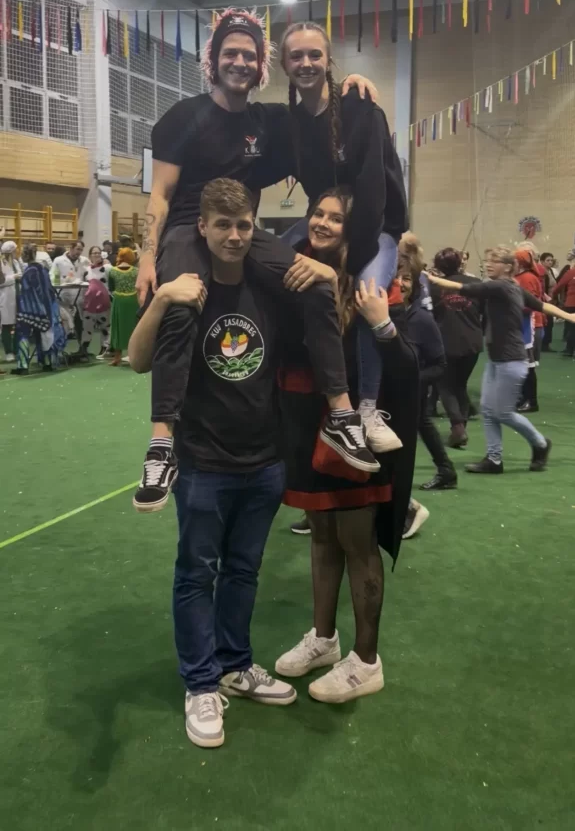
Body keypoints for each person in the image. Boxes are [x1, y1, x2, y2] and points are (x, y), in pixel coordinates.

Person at [133, 8, 380, 508]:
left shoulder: (269, 122)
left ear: (262, 64)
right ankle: (161, 444)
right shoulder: (183, 117)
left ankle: (340, 414)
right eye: (231, 53)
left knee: (316, 282)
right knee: (180, 302)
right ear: (214, 59)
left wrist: (351, 85)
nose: (240, 62)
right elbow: (160, 194)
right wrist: (146, 257)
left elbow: (318, 106)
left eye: (249, 55)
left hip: (244, 231)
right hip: (188, 228)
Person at [128, 179, 297, 748]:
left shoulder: (266, 289)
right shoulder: (187, 288)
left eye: (244, 225)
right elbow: (138, 360)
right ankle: (200, 683)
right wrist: (163, 298)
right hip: (202, 464)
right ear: (202, 227)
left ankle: (235, 664)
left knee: (244, 571)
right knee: (197, 573)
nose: (234, 235)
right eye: (223, 225)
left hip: (264, 461)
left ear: (255, 227)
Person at [275, 190, 420, 701]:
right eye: (318, 213)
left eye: (336, 218)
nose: (323, 223)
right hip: (305, 421)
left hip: (356, 427)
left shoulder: (374, 282)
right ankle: (323, 639)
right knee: (320, 534)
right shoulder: (294, 265)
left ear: (353, 230)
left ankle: (366, 660)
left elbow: (409, 365)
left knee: (357, 540)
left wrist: (380, 321)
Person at [254, 20, 408, 453]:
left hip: (377, 227)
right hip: (322, 217)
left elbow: (375, 192)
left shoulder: (361, 110)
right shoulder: (292, 123)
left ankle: (367, 409)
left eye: (314, 55)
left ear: (329, 61)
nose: (306, 63)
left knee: (367, 292)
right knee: (264, 261)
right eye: (296, 56)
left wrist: (351, 261)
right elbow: (260, 169)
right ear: (284, 65)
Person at [428, 247, 575, 473]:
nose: (488, 264)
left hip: (511, 361)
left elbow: (463, 288)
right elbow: (541, 305)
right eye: (488, 260)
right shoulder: (513, 287)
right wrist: (569, 316)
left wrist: (428, 277)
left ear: (508, 267)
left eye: (494, 261)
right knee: (489, 410)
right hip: (497, 360)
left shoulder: (500, 286)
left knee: (503, 412)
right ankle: (494, 459)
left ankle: (540, 443)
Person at [396, 236, 457, 492]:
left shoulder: (421, 319)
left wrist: (412, 379)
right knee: (421, 423)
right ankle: (446, 470)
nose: (400, 283)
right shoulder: (380, 313)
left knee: (416, 426)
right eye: (395, 278)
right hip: (390, 392)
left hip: (411, 389)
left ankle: (444, 470)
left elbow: (440, 364)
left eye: (406, 279)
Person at [430, 247, 483, 448]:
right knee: (460, 385)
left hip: (446, 342)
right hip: (473, 341)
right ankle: (460, 429)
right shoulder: (476, 284)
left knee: (444, 385)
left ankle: (458, 427)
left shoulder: (434, 287)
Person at [12, 243, 66, 374]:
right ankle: (47, 363)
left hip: (28, 309)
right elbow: (48, 290)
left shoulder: (28, 272)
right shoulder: (43, 270)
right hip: (45, 309)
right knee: (43, 334)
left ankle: (23, 366)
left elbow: (27, 291)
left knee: (23, 334)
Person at [514, 249, 544, 413]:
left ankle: (531, 400)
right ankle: (523, 397)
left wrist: (509, 305)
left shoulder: (527, 278)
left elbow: (531, 304)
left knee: (527, 364)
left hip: (524, 325)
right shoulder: (521, 277)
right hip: (518, 324)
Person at [49, 240, 89, 354]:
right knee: (65, 324)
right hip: (63, 297)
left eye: (81, 250)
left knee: (81, 324)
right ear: (71, 248)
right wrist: (59, 282)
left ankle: (83, 350)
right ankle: (60, 351)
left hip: (80, 296)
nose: (79, 252)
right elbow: (52, 276)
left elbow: (89, 273)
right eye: (77, 249)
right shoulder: (59, 260)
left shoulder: (84, 260)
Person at [108, 247, 138, 366]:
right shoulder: (136, 271)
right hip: (133, 300)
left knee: (118, 328)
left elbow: (111, 288)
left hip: (119, 301)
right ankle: (134, 356)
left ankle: (117, 357)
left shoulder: (112, 271)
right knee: (133, 327)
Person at [81, 246, 112, 359]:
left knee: (105, 326)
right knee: (87, 326)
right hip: (90, 303)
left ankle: (105, 348)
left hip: (104, 301)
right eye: (94, 253)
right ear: (90, 255)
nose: (97, 255)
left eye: (98, 253)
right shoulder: (86, 270)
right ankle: (84, 348)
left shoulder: (107, 268)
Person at [552, 250, 575, 359]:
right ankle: (570, 349)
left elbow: (559, 286)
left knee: (571, 328)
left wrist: (553, 296)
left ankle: (570, 350)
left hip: (571, 304)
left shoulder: (570, 273)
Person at [0, 240, 23, 362]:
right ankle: (9, 352)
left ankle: (17, 350)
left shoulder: (16, 262)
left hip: (18, 295)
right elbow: (1, 281)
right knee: (7, 325)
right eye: (15, 249)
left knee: (18, 324)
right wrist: (13, 277)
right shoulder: (1, 263)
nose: (17, 251)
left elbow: (21, 273)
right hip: (6, 297)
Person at [540, 252, 557, 351]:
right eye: (548, 260)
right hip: (545, 301)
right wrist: (547, 299)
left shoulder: (550, 271)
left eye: (551, 260)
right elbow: (541, 288)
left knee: (550, 323)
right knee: (547, 322)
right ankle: (544, 344)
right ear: (542, 261)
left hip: (551, 301)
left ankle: (546, 343)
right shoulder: (542, 272)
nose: (550, 262)